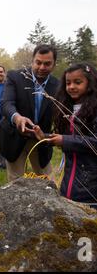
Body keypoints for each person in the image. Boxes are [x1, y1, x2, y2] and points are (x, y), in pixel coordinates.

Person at [33, 62, 97, 209]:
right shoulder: (68, 108)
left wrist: (64, 140)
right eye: (68, 83)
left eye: (78, 82)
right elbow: (70, 139)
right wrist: (46, 137)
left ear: (90, 83)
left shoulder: (94, 109)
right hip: (69, 184)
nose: (71, 87)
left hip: (91, 188)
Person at [0, 44, 59, 182]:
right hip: (14, 136)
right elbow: (6, 103)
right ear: (32, 61)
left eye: (47, 64)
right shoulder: (15, 77)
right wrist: (17, 118)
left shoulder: (58, 85)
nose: (42, 67)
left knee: (48, 181)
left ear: (54, 65)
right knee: (16, 183)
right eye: (38, 62)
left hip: (41, 139)